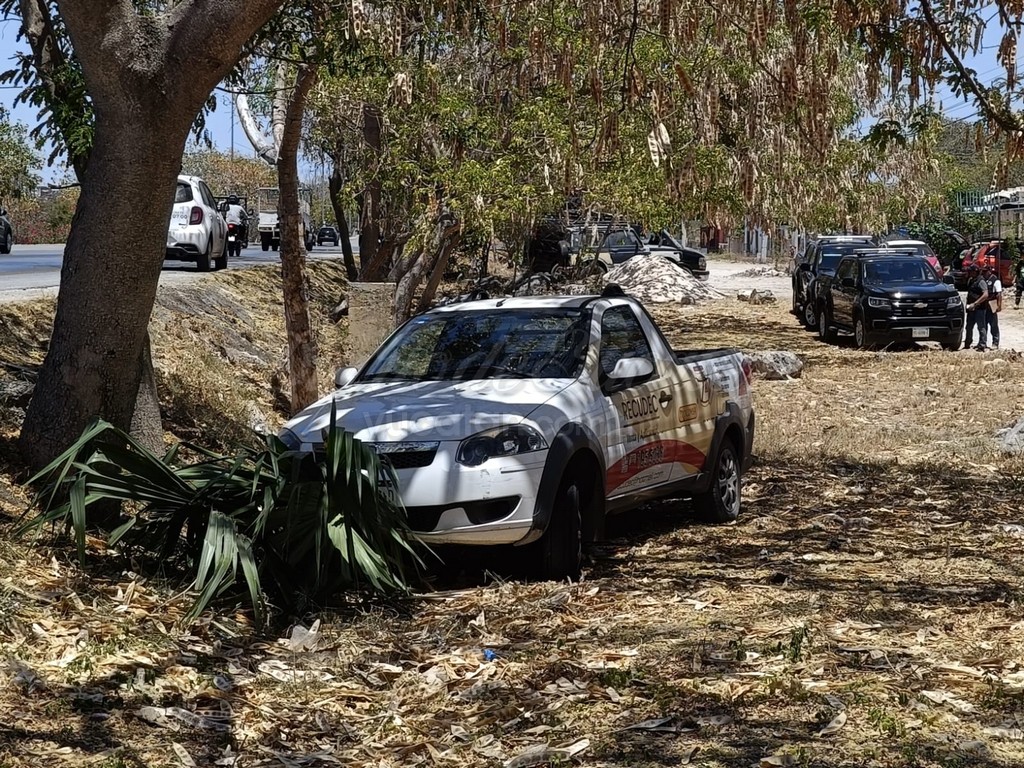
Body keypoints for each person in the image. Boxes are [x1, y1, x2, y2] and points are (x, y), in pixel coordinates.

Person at [963, 264, 989, 351]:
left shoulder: (981, 281)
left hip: (979, 308)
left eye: (971, 272)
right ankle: (967, 343)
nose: (970, 273)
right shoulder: (971, 280)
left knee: (981, 327)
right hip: (971, 308)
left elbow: (985, 295)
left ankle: (982, 344)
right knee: (968, 327)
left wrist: (975, 303)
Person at [983, 264, 1003, 349]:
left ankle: (995, 342)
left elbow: (999, 294)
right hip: (984, 305)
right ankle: (983, 342)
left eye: (985, 271)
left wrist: (999, 305)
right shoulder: (983, 280)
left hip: (992, 304)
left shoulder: (996, 280)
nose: (984, 273)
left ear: (990, 271)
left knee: (993, 324)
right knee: (984, 325)